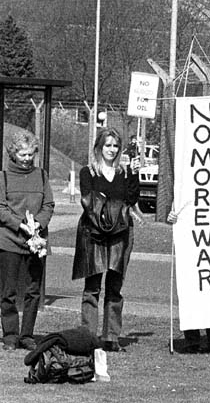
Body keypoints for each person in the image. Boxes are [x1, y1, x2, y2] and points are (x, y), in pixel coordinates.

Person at [72, 128, 139, 352]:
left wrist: (133, 174)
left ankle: (111, 336)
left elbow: (131, 199)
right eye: (107, 145)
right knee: (92, 287)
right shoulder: (88, 172)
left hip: (121, 234)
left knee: (115, 286)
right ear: (99, 147)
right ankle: (88, 335)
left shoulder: (123, 172)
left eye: (115, 146)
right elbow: (88, 202)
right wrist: (110, 214)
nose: (111, 150)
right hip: (95, 233)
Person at [0, 131, 54, 351]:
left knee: (33, 290)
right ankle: (10, 335)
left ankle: (27, 335)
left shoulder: (41, 175)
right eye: (23, 154)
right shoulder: (3, 177)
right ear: (13, 153)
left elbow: (48, 205)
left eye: (31, 154)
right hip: (10, 240)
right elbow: (1, 209)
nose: (27, 158)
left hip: (37, 241)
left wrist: (37, 225)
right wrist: (21, 225)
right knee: (8, 291)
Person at [165, 208, 210, 354]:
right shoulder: (181, 184)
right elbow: (173, 199)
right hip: (189, 232)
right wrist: (171, 214)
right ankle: (192, 339)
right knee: (190, 283)